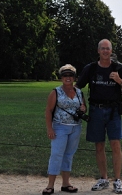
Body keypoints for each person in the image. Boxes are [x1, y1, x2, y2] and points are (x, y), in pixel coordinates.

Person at [76, 39, 122, 194]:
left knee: (115, 144)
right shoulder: (91, 69)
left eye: (108, 49)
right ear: (98, 51)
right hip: (95, 110)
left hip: (113, 111)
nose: (105, 51)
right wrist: (82, 103)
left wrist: (119, 81)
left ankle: (118, 180)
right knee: (99, 145)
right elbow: (77, 87)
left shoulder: (119, 68)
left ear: (111, 50)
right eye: (103, 48)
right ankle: (103, 178)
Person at [43, 64, 86, 195]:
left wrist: (83, 109)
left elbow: (83, 107)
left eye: (70, 75)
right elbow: (48, 111)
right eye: (65, 75)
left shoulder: (79, 92)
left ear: (74, 77)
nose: (68, 78)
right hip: (60, 127)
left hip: (75, 128)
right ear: (61, 77)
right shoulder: (55, 92)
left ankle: (66, 183)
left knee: (68, 155)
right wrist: (49, 128)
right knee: (56, 154)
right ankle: (50, 185)